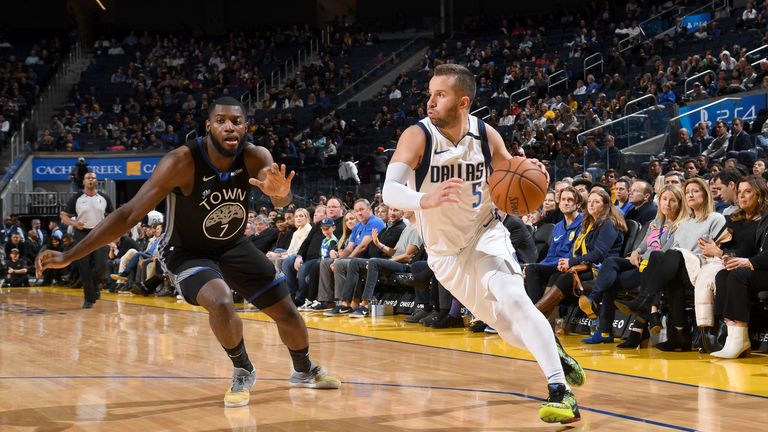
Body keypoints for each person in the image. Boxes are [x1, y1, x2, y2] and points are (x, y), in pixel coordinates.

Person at [37, 97, 340, 408]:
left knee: (287, 311)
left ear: (245, 126)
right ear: (208, 126)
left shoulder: (255, 156)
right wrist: (69, 255)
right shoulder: (180, 162)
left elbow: (278, 197)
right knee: (221, 301)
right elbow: (128, 215)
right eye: (221, 120)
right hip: (187, 251)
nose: (229, 126)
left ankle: (303, 370)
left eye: (236, 121)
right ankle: (243, 369)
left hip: (234, 245)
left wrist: (281, 193)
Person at [382, 64, 584, 424]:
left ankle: (560, 390)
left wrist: (534, 173)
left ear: (462, 102)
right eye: (429, 93)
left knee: (514, 299)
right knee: (507, 329)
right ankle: (553, 352)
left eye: (439, 95)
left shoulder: (485, 134)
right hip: (444, 254)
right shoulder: (418, 136)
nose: (430, 102)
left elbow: (512, 176)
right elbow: (390, 188)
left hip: (485, 233)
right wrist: (422, 200)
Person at [60, 171, 114, 308]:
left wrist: (112, 233)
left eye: (93, 178)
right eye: (88, 178)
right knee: (84, 267)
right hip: (82, 234)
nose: (91, 180)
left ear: (97, 181)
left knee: (101, 265)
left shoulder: (104, 198)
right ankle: (88, 299)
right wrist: (74, 223)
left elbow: (113, 216)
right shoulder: (77, 198)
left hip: (99, 233)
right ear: (84, 182)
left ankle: (95, 286)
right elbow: (64, 215)